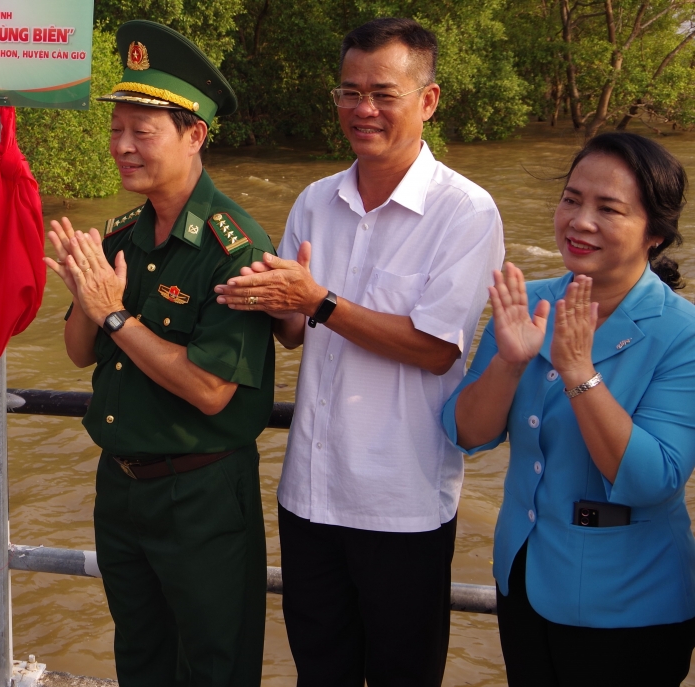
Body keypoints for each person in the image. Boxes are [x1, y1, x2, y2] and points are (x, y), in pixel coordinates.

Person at [215, 17, 506, 685]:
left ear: (427, 100)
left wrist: (316, 299)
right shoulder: (317, 201)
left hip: (401, 500)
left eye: (383, 92)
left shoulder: (465, 211)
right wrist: (266, 299)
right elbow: (295, 329)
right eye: (349, 92)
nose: (363, 109)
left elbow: (435, 349)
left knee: (403, 673)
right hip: (310, 495)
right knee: (321, 669)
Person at [44, 20, 276, 686]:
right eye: (116, 130)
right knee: (139, 660)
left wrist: (115, 313)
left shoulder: (236, 248)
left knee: (213, 666)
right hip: (121, 487)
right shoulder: (122, 233)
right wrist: (88, 297)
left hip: (199, 492)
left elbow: (210, 389)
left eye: (142, 133)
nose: (122, 147)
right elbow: (76, 352)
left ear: (194, 135)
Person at [443, 132, 695, 685]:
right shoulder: (528, 300)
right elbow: (468, 433)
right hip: (526, 581)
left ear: (654, 233)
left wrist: (580, 372)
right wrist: (509, 362)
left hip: (631, 603)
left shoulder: (682, 333)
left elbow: (655, 480)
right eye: (572, 199)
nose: (580, 221)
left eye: (609, 208)